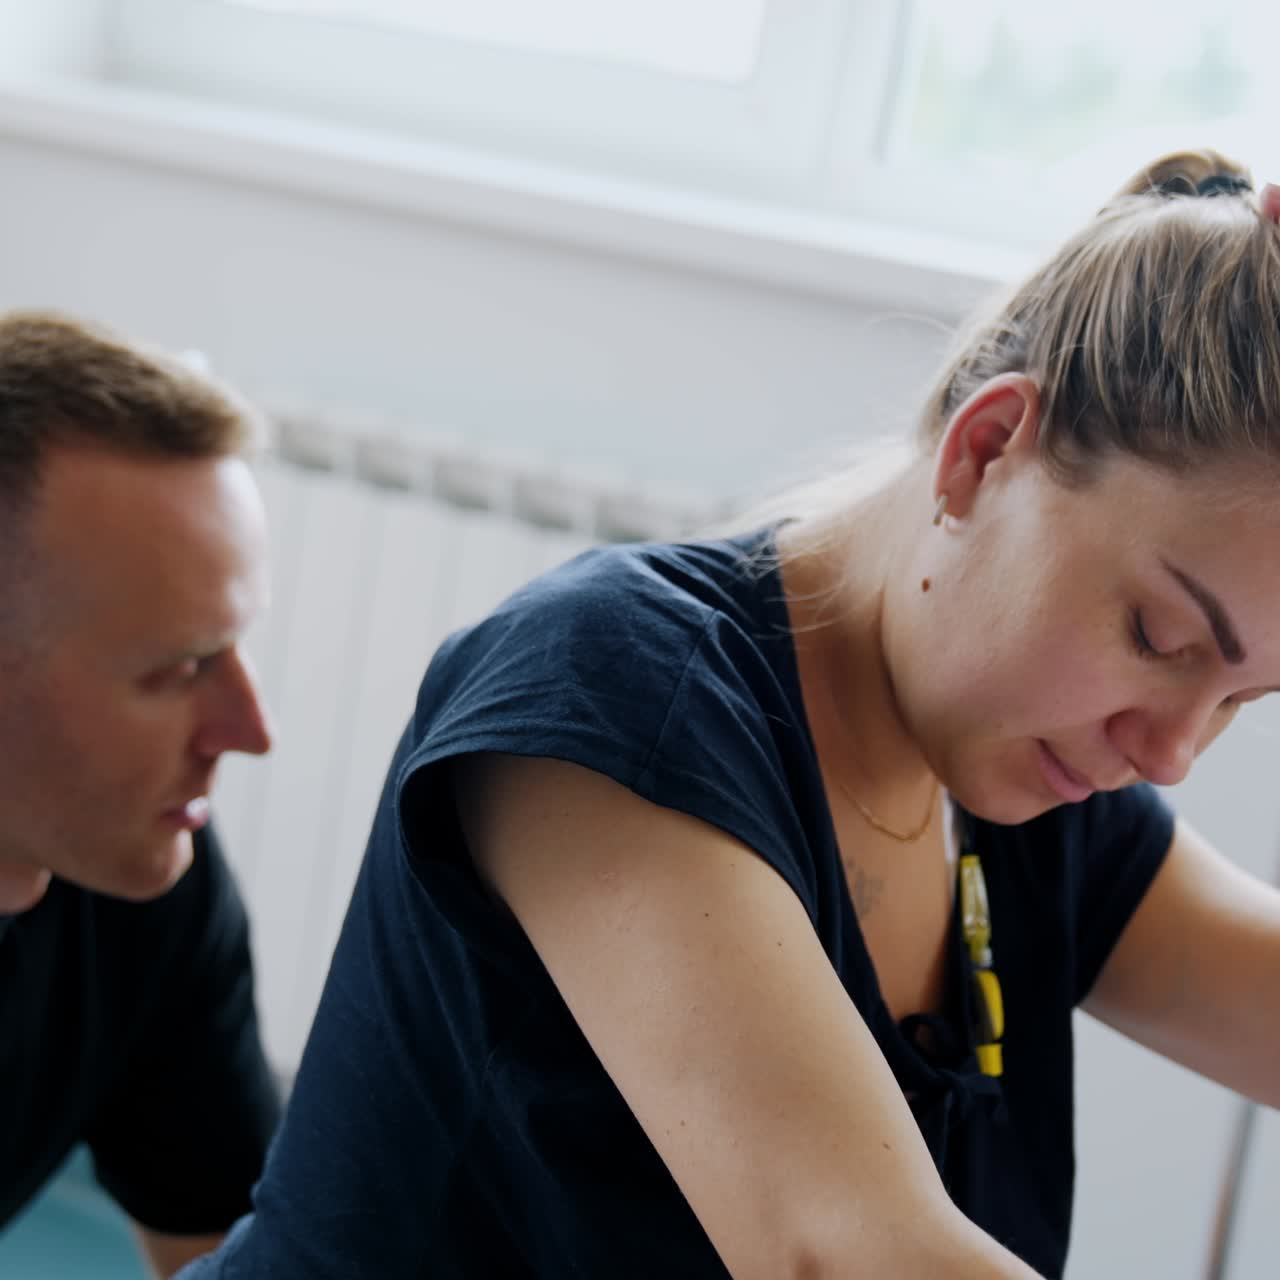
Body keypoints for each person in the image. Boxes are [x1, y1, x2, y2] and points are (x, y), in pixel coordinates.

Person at [177, 149, 1280, 1280]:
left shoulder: (1025, 776)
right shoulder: (616, 686)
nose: (1172, 753)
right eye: (1157, 636)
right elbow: (837, 1250)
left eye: (1243, 697)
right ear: (986, 450)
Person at [0, 312, 281, 1277]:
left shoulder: (142, 872)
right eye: (180, 667)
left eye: (235, 648)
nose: (250, 731)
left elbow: (227, 1249)